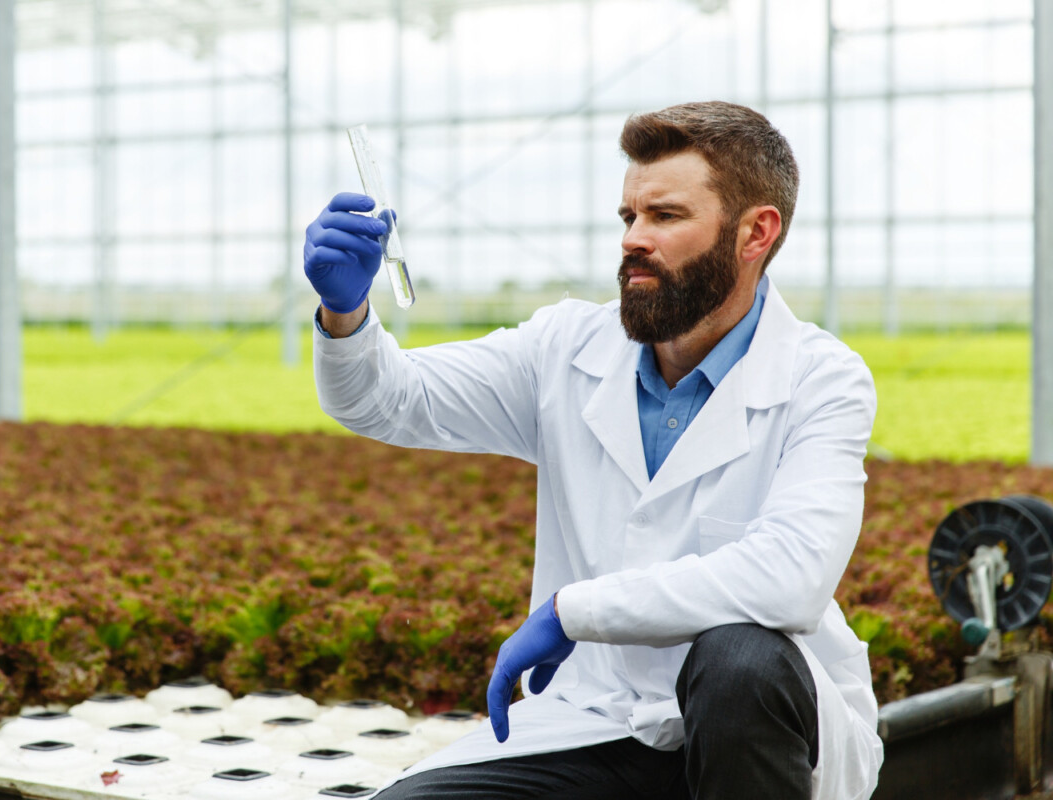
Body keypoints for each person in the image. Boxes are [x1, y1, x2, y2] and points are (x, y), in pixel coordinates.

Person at [302, 101, 883, 800]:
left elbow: (788, 577)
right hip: (594, 721)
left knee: (740, 657)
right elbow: (385, 399)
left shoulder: (821, 378)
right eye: (628, 217)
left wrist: (570, 612)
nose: (634, 239)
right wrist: (346, 314)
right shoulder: (565, 349)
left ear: (755, 232)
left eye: (665, 216)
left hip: (754, 738)